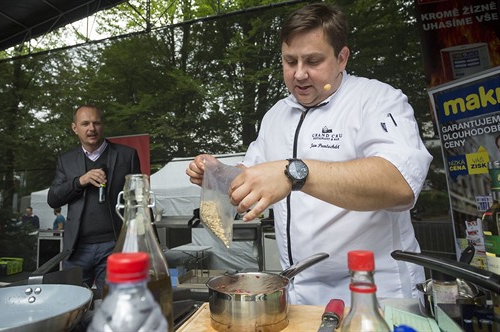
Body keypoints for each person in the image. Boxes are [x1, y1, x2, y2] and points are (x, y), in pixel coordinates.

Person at [186, 3, 433, 306]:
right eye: (290, 61)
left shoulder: (378, 100)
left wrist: (294, 173)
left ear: (342, 58)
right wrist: (217, 174)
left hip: (378, 293)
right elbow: (249, 177)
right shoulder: (276, 115)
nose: (299, 74)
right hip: (299, 294)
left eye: (313, 61)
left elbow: (399, 185)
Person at [47, 104, 141, 299]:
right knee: (72, 304)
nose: (91, 128)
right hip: (76, 249)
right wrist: (80, 181)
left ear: (102, 125)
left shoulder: (126, 155)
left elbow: (139, 201)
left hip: (114, 247)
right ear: (75, 128)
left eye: (96, 123)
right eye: (85, 123)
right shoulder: (67, 160)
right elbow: (53, 198)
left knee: (112, 303)